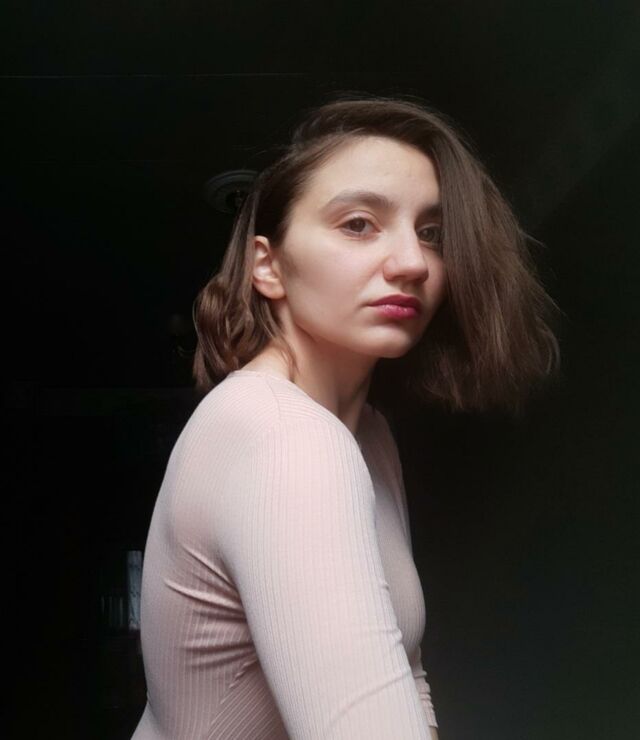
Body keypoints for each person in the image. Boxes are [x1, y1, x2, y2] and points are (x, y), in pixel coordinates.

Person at [132, 93, 561, 739]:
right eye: (359, 224)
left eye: (431, 233)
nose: (413, 262)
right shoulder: (283, 437)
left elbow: (408, 670)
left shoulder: (368, 435)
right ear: (268, 266)